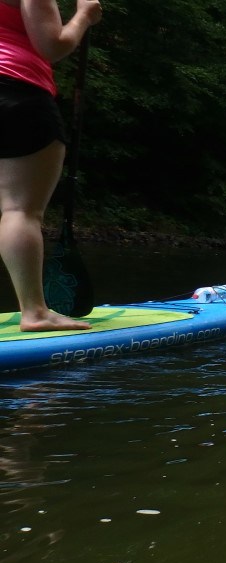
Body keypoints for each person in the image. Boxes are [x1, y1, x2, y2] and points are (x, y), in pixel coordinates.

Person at [0, 0, 101, 331]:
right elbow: (52, 46)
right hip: (17, 91)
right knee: (19, 210)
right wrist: (84, 16)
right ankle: (35, 312)